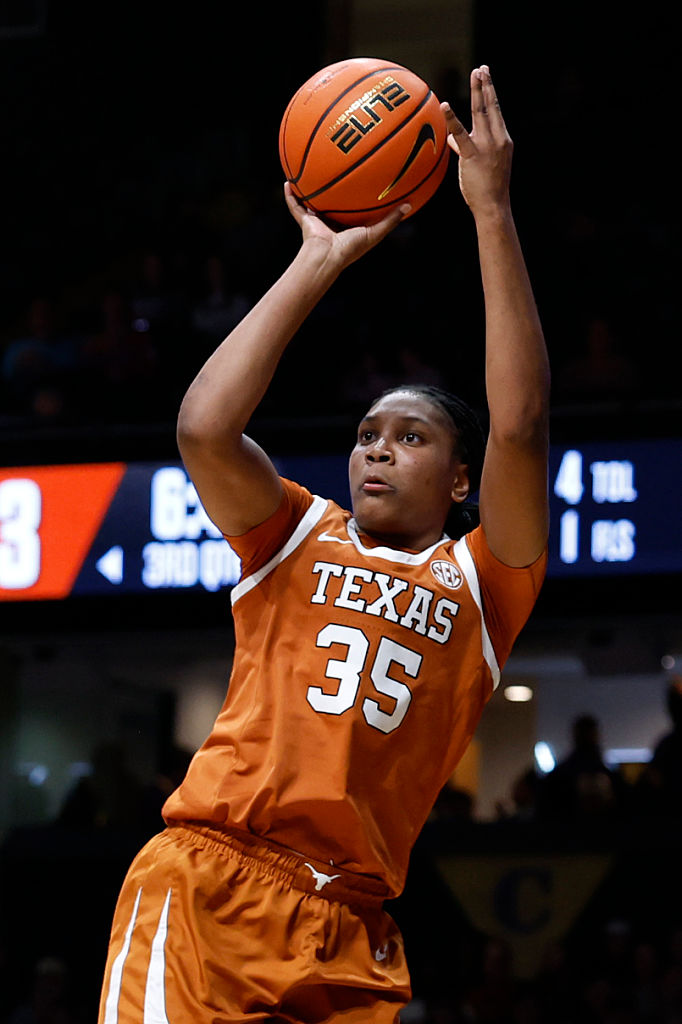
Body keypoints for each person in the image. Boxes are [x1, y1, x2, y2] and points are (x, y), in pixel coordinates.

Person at [97, 65, 550, 1023]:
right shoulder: (296, 533)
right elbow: (204, 430)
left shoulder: (482, 584)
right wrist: (320, 258)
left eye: (411, 437)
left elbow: (519, 426)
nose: (377, 450)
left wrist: (492, 212)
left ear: (460, 482)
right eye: (366, 437)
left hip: (349, 926)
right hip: (212, 884)